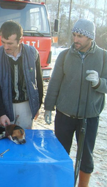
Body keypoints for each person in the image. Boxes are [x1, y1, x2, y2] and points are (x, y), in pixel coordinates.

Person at [44, 19, 107, 187]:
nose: (75, 39)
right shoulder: (65, 55)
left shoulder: (103, 56)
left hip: (89, 116)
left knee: (86, 156)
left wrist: (99, 82)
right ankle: (61, 184)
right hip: (65, 115)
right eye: (74, 35)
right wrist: (49, 107)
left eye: (80, 36)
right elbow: (55, 83)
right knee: (60, 153)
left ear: (90, 37)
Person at [0, 20, 43, 129]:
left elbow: (38, 82)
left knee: (22, 138)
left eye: (10, 43)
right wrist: (0, 113)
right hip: (4, 106)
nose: (5, 47)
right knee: (4, 140)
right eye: (3, 42)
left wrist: (37, 106)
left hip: (26, 106)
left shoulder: (33, 53)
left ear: (21, 40)